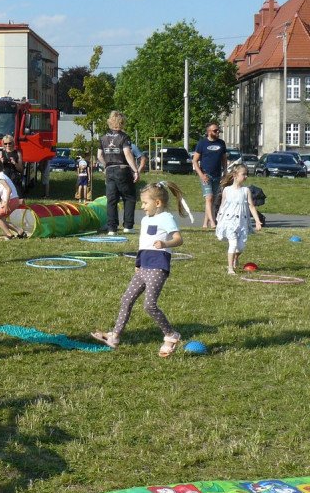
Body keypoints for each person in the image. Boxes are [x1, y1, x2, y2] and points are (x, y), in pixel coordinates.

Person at [91, 181, 189, 357]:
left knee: (149, 305)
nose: (142, 207)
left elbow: (178, 239)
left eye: (145, 203)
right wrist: (138, 262)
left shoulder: (166, 218)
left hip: (158, 267)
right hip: (143, 266)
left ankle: (170, 334)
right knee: (126, 299)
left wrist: (165, 244)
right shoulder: (145, 220)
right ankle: (115, 336)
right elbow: (144, 243)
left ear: (157, 203)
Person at [215, 163, 263, 275]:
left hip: (241, 222)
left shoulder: (246, 190)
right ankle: (230, 268)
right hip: (229, 221)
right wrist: (219, 217)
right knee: (232, 243)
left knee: (240, 247)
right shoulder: (227, 190)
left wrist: (257, 221)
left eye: (247, 174)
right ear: (235, 175)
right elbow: (222, 205)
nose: (246, 176)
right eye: (244, 174)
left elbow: (251, 206)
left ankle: (236, 258)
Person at [97, 110, 140, 235]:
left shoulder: (103, 138)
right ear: (122, 122)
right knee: (129, 197)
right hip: (122, 169)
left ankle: (112, 228)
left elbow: (99, 155)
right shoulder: (124, 137)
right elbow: (127, 154)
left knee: (111, 199)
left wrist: (106, 165)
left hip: (109, 169)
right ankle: (128, 226)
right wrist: (135, 170)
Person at [192, 122, 227, 229]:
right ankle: (213, 222)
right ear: (209, 132)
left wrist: (225, 173)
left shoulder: (221, 143)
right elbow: (195, 160)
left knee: (212, 200)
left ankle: (205, 224)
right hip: (206, 174)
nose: (218, 132)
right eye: (215, 130)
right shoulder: (202, 143)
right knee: (209, 198)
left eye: (218, 130)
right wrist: (201, 175)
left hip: (217, 175)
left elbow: (224, 159)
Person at [0, 158, 27, 239]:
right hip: (15, 200)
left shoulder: (0, 177)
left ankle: (9, 235)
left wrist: (6, 203)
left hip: (10, 200)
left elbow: (8, 189)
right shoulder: (3, 175)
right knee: (2, 219)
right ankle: (20, 232)